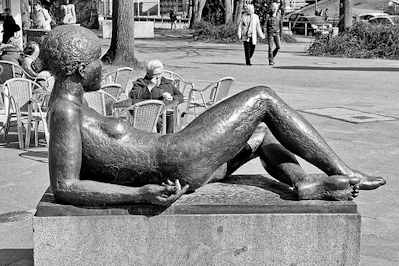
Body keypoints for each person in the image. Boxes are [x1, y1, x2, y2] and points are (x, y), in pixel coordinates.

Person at [43, 25, 385, 207]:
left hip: (178, 157)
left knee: (261, 133)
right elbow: (65, 187)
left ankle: (303, 183)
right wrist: (140, 195)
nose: (103, 65)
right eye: (97, 59)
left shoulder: (72, 106)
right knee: (262, 97)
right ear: (78, 68)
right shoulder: (64, 113)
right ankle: (344, 171)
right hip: (177, 159)